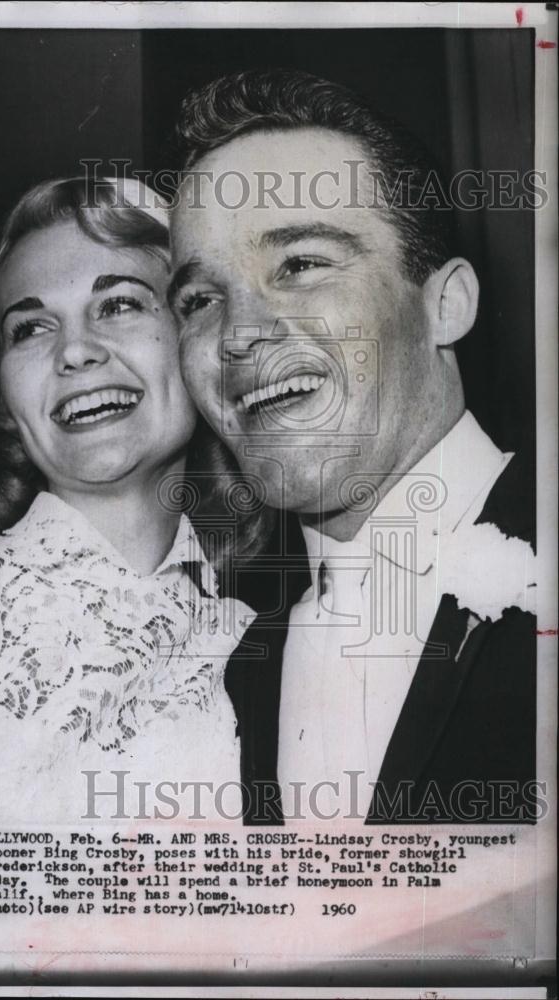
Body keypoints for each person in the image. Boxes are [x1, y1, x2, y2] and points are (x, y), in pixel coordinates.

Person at [168, 69, 537, 824]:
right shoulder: (232, 675)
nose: (235, 334)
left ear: (445, 305)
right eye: (199, 300)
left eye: (299, 264)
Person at [0, 176, 253, 825]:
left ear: (197, 341)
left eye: (118, 304)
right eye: (30, 327)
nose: (75, 351)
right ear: (3, 393)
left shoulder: (270, 637)